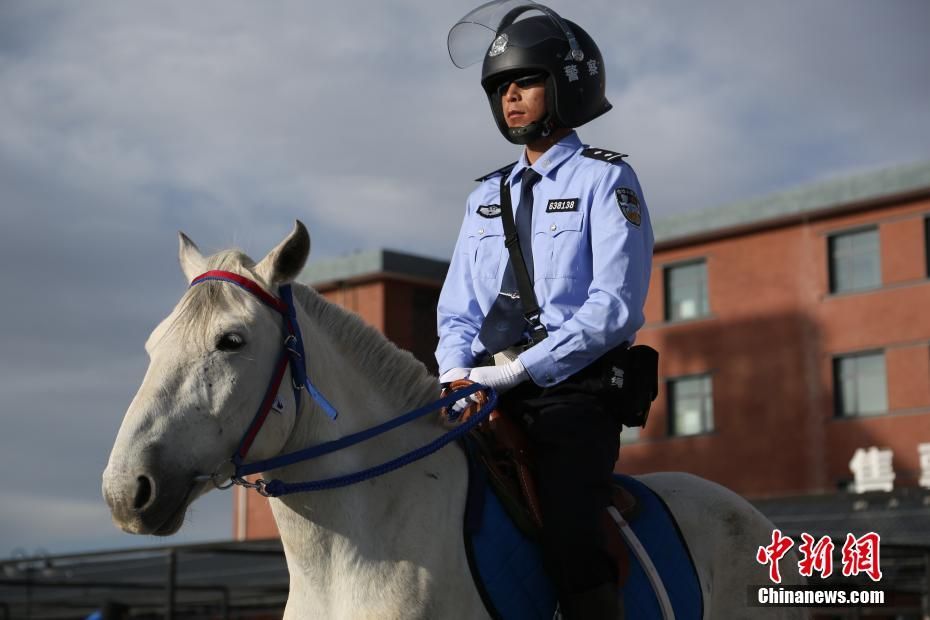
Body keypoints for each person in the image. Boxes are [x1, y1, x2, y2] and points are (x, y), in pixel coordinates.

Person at [436, 2, 654, 618]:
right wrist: (456, 372)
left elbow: (613, 306)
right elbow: (456, 307)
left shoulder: (606, 180)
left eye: (524, 80)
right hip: (479, 391)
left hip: (571, 394)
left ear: (568, 82)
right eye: (499, 87)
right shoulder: (484, 196)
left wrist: (516, 370)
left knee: (567, 524)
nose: (510, 97)